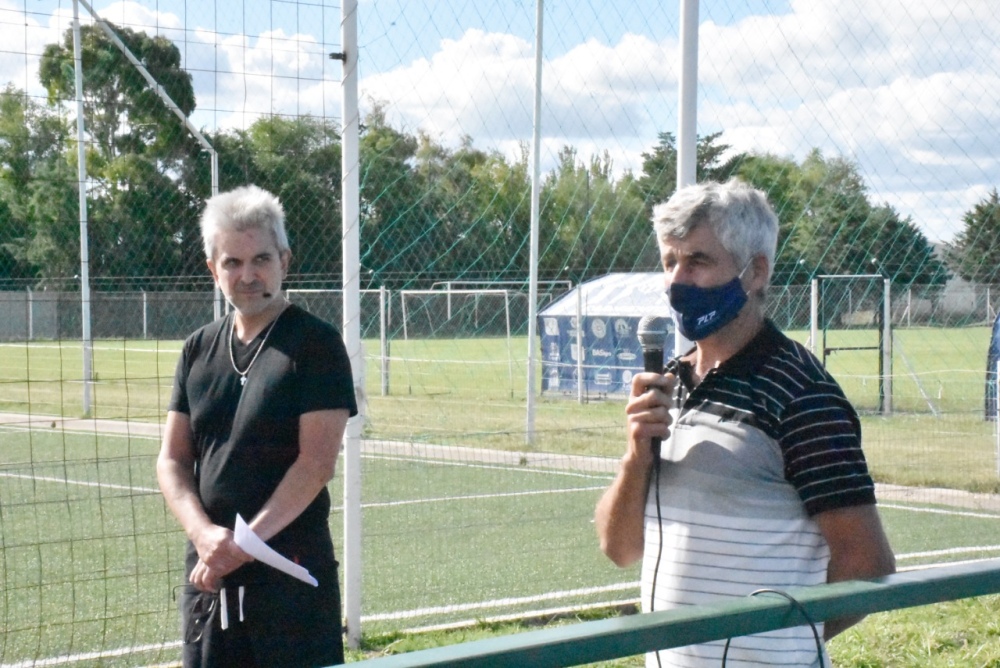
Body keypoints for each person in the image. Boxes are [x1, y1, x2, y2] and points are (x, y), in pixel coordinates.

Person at [595, 179, 896, 667]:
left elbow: (868, 564)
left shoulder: (801, 392)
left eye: (698, 261)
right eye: (669, 262)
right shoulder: (670, 382)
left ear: (755, 271)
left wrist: (789, 643)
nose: (677, 281)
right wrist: (636, 455)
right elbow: (620, 548)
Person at [157, 185, 357, 667]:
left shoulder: (316, 345)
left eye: (261, 259)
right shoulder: (197, 348)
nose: (247, 275)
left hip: (290, 581)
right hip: (210, 577)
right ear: (213, 269)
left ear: (285, 261)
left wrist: (243, 546)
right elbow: (172, 459)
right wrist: (205, 535)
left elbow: (315, 464)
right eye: (232, 262)